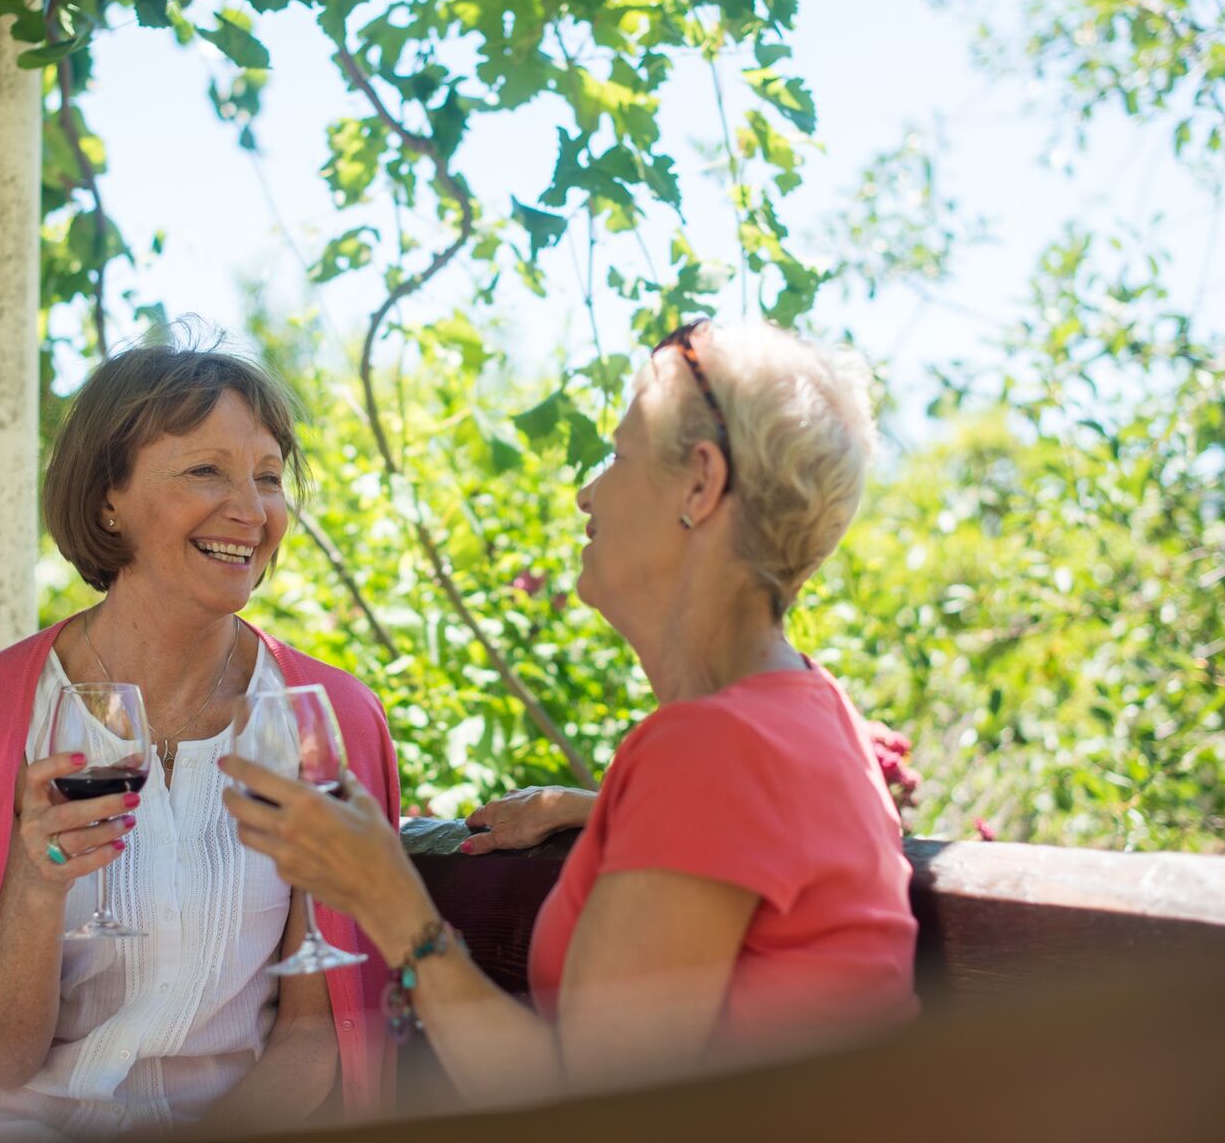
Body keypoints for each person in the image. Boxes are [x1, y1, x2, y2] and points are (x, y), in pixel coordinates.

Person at [222, 319, 917, 1105]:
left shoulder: (714, 750)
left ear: (700, 483)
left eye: (618, 456)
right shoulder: (806, 710)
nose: (589, 491)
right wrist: (596, 809)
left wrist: (388, 898)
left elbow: (586, 1105)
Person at [0, 334, 400, 1140]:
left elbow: (312, 1033)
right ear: (106, 499)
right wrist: (37, 883)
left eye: (268, 477)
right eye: (206, 470)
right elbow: (2, 1060)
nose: (252, 508)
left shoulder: (320, 718)